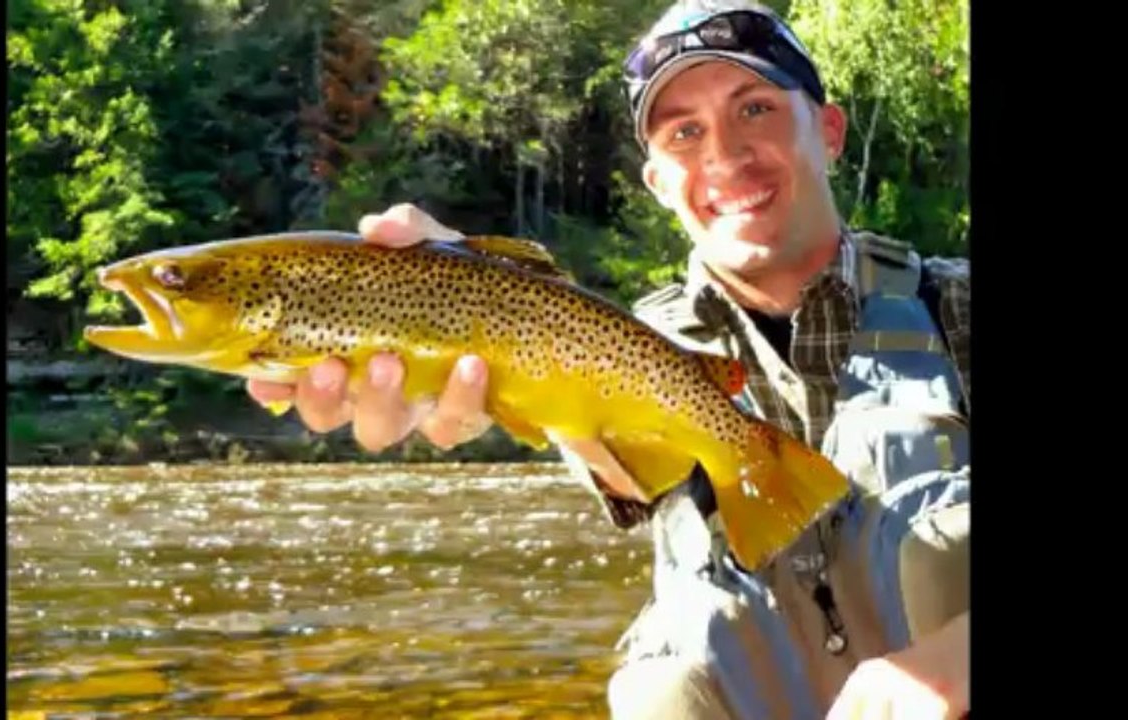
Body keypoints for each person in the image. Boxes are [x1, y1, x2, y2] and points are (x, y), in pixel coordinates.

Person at [247, 0, 971, 717]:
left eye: (754, 109)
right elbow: (597, 440)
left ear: (830, 129)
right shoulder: (610, 347)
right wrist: (446, 297)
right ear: (656, 183)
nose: (721, 153)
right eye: (683, 132)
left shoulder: (955, 305)